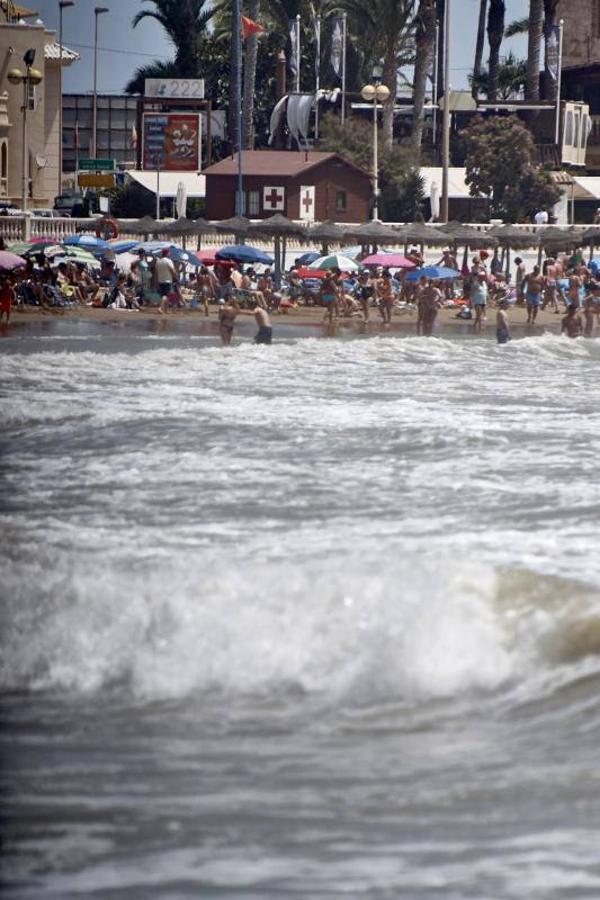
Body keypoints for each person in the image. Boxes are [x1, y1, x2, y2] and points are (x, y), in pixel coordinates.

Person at [155, 248, 176, 314]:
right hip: (168, 280)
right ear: (167, 253)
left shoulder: (158, 261)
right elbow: (172, 270)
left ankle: (166, 310)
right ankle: (160, 308)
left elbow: (156, 272)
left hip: (160, 280)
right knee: (166, 296)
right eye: (169, 253)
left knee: (164, 296)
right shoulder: (168, 261)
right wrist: (175, 277)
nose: (169, 254)